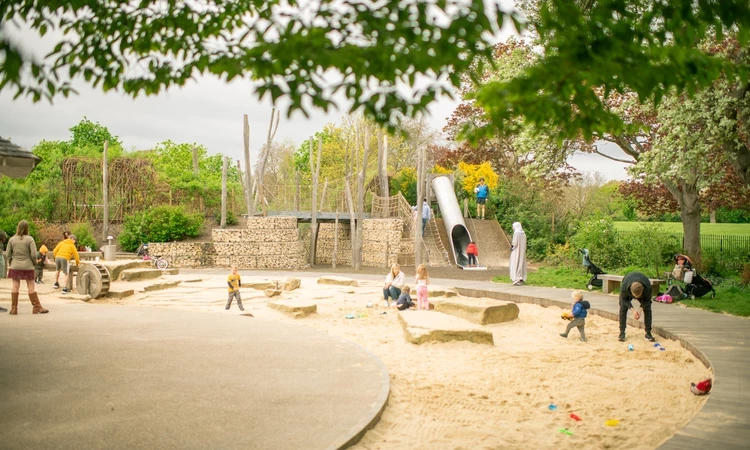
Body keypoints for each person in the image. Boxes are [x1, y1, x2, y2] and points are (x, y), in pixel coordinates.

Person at [6, 220, 48, 314]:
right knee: (31, 286)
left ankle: (14, 309)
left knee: (15, 286)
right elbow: (33, 254)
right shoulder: (30, 239)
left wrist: (11, 263)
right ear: (27, 228)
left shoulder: (12, 239)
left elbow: (8, 254)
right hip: (28, 266)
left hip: (15, 265)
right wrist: (34, 263)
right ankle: (36, 307)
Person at [618, 271, 655, 342]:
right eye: (634, 296)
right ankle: (622, 332)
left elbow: (647, 300)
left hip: (643, 286)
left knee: (647, 309)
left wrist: (640, 310)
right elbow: (624, 299)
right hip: (628, 280)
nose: (636, 297)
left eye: (638, 296)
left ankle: (648, 332)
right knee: (623, 308)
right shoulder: (624, 287)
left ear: (643, 289)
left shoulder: (648, 287)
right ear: (630, 290)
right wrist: (633, 310)